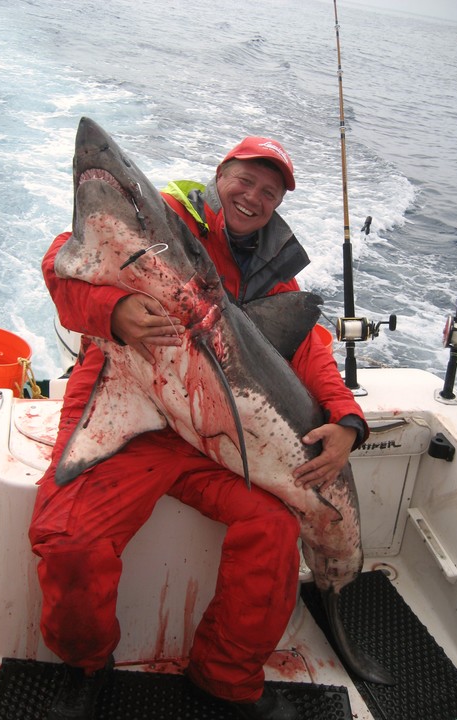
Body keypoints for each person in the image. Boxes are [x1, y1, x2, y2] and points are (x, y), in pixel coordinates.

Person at [29, 136, 368, 720]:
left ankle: (225, 677)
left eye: (269, 192)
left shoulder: (274, 276)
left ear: (278, 204)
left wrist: (348, 421)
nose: (253, 197)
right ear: (220, 174)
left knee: (273, 529)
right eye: (245, 180)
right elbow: (63, 261)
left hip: (210, 433)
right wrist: (112, 312)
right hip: (130, 405)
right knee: (70, 542)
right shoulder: (162, 218)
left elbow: (311, 353)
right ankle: (87, 666)